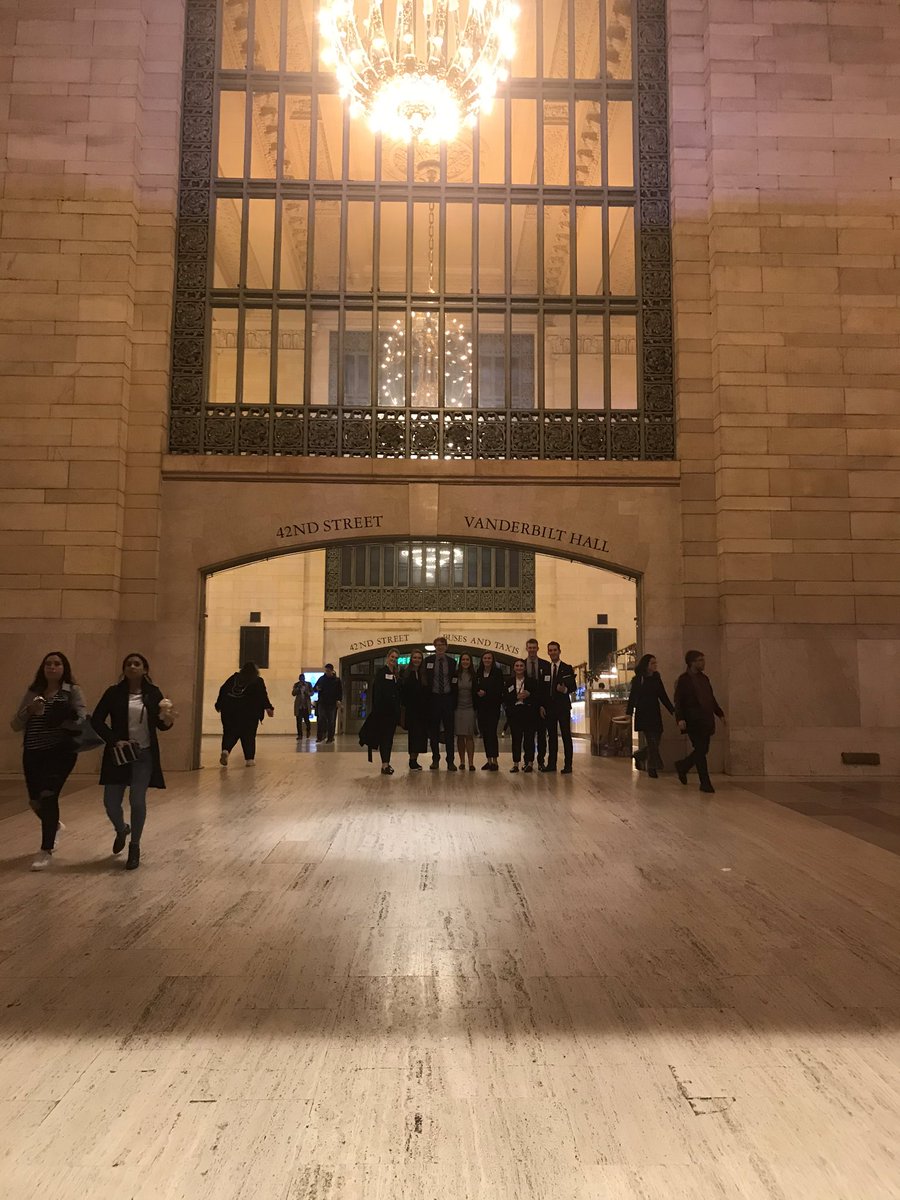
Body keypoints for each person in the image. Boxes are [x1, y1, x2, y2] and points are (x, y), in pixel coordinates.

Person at [91, 653, 175, 870]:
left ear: (145, 669)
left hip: (143, 755)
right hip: (119, 754)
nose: (132, 667)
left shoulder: (153, 694)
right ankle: (121, 828)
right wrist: (113, 740)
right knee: (111, 803)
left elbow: (161, 724)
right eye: (128, 664)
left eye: (137, 664)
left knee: (137, 801)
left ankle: (134, 846)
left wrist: (168, 719)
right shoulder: (113, 693)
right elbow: (96, 720)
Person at [11, 651, 87, 872]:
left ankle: (45, 849)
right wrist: (29, 710)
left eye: (57, 664)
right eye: (48, 664)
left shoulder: (72, 691)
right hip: (33, 752)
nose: (52, 667)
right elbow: (15, 724)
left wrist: (64, 717)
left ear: (64, 668)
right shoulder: (34, 692)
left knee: (48, 795)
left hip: (60, 752)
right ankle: (53, 825)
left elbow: (82, 719)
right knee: (35, 801)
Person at [674, 650, 725, 794]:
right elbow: (679, 701)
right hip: (693, 719)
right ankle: (705, 783)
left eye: (703, 659)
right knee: (701, 750)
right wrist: (680, 718)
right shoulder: (684, 680)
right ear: (692, 663)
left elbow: (710, 698)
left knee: (702, 750)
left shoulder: (704, 679)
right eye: (700, 660)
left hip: (706, 719)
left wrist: (719, 713)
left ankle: (683, 766)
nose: (703, 663)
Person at [214, 661, 274, 766]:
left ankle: (225, 750)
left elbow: (223, 690)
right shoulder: (257, 681)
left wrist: (218, 705)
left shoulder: (233, 679)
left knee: (229, 733)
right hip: (250, 713)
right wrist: (268, 707)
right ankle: (249, 759)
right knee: (249, 735)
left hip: (230, 712)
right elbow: (262, 695)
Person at [626, 653, 675, 779]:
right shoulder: (639, 679)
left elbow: (662, 695)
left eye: (655, 663)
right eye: (652, 663)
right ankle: (652, 768)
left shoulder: (656, 678)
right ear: (646, 665)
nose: (655, 665)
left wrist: (672, 710)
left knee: (656, 740)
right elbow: (633, 697)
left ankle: (640, 755)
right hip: (644, 713)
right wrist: (629, 713)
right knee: (652, 741)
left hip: (655, 712)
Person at [358, 648, 402, 774]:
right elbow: (377, 693)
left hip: (393, 713)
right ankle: (385, 765)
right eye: (392, 657)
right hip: (383, 712)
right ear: (387, 657)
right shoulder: (381, 672)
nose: (393, 659)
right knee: (385, 739)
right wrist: (378, 710)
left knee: (389, 739)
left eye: (396, 658)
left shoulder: (396, 674)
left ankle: (386, 763)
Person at [542, 641, 577, 774]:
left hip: (562, 707)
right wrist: (542, 706)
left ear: (559, 651)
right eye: (550, 650)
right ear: (548, 652)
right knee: (551, 736)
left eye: (555, 650)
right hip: (549, 708)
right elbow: (543, 690)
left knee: (566, 735)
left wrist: (564, 690)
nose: (552, 652)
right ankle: (551, 764)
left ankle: (568, 765)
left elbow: (573, 687)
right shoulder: (545, 669)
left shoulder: (567, 668)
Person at [424, 636, 458, 771]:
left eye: (442, 644)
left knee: (449, 731)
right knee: (434, 732)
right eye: (437, 645)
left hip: (448, 699)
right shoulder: (428, 661)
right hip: (434, 699)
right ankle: (435, 759)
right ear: (434, 647)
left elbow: (455, 681)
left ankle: (450, 761)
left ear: (446, 647)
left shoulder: (452, 662)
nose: (440, 647)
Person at [503, 659, 537, 773]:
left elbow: (537, 697)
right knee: (516, 739)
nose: (519, 667)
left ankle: (529, 763)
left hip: (528, 712)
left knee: (529, 739)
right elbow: (506, 698)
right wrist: (515, 698)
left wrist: (529, 695)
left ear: (525, 668)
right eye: (517, 666)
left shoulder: (531, 682)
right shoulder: (509, 682)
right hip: (515, 713)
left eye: (521, 665)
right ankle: (516, 763)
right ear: (514, 668)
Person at [473, 651, 504, 771]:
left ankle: (495, 760)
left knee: (492, 733)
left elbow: (499, 689)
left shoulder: (497, 672)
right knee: (484, 734)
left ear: (492, 660)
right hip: (481, 708)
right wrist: (478, 693)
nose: (487, 660)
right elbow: (475, 687)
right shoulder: (479, 672)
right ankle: (488, 760)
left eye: (489, 658)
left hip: (493, 707)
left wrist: (486, 693)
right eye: (485, 658)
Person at [400, 649, 430, 770]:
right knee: (413, 736)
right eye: (415, 658)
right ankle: (412, 760)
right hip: (411, 710)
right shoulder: (405, 673)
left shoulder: (424, 674)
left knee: (421, 736)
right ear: (411, 659)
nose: (417, 660)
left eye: (419, 658)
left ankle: (415, 759)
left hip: (423, 711)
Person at [523, 637, 550, 769]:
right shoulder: (521, 665)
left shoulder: (545, 665)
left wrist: (543, 705)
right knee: (528, 735)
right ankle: (528, 761)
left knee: (541, 736)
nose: (532, 650)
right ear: (526, 648)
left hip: (541, 706)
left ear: (538, 649)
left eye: (534, 648)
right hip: (527, 707)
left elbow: (546, 688)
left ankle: (541, 761)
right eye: (530, 648)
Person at [454, 652, 478, 771]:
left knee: (469, 736)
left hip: (470, 708)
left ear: (470, 661)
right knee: (460, 736)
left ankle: (471, 762)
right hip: (458, 708)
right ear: (460, 661)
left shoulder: (474, 675)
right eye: (463, 659)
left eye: (467, 659)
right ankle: (462, 761)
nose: (465, 661)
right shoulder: (455, 675)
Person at [312, 664, 342, 743]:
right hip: (322, 702)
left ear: (332, 670)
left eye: (328, 671)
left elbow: (340, 691)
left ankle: (330, 737)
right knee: (321, 719)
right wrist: (317, 689)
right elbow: (315, 688)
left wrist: (339, 700)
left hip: (332, 703)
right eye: (326, 671)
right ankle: (320, 736)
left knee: (331, 721)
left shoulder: (337, 680)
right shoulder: (322, 679)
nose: (327, 672)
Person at [292, 673, 313, 739]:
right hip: (299, 706)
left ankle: (308, 731)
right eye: (301, 679)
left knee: (307, 720)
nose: (302, 680)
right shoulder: (296, 684)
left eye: (303, 679)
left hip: (306, 706)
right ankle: (300, 735)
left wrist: (308, 693)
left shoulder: (308, 684)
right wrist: (298, 688)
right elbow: (293, 693)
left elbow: (312, 693)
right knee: (298, 721)